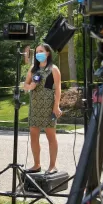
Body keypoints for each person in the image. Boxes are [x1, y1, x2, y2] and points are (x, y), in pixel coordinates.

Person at [21, 44, 62, 174]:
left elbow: (58, 89)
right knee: (34, 136)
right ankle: (36, 164)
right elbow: (25, 85)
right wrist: (30, 86)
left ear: (48, 53)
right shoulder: (33, 69)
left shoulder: (54, 69)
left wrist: (56, 106)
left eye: (41, 51)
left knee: (51, 136)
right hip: (35, 106)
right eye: (37, 51)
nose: (38, 53)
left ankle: (52, 166)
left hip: (49, 106)